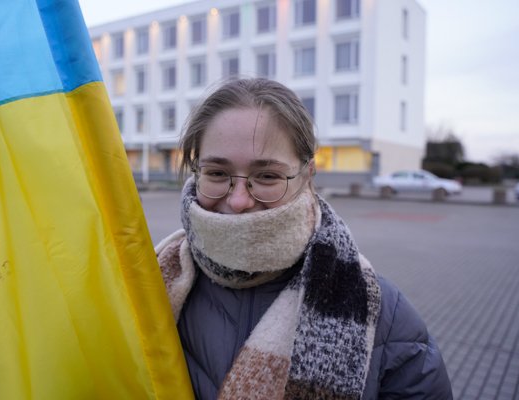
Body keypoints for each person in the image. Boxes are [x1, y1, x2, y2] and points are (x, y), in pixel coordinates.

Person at [155, 78, 452, 399]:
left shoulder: (385, 320)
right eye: (216, 173)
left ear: (307, 176)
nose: (238, 200)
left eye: (267, 176)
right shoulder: (149, 285)